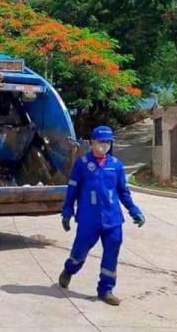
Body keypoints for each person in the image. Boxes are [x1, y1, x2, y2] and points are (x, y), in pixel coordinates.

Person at [59, 126, 146, 306]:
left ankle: (106, 290)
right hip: (88, 219)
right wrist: (67, 210)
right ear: (92, 142)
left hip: (112, 219)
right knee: (79, 252)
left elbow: (123, 192)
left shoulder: (116, 165)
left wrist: (134, 210)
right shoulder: (82, 164)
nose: (104, 145)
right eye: (101, 142)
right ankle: (69, 269)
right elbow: (72, 189)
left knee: (112, 253)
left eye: (108, 142)